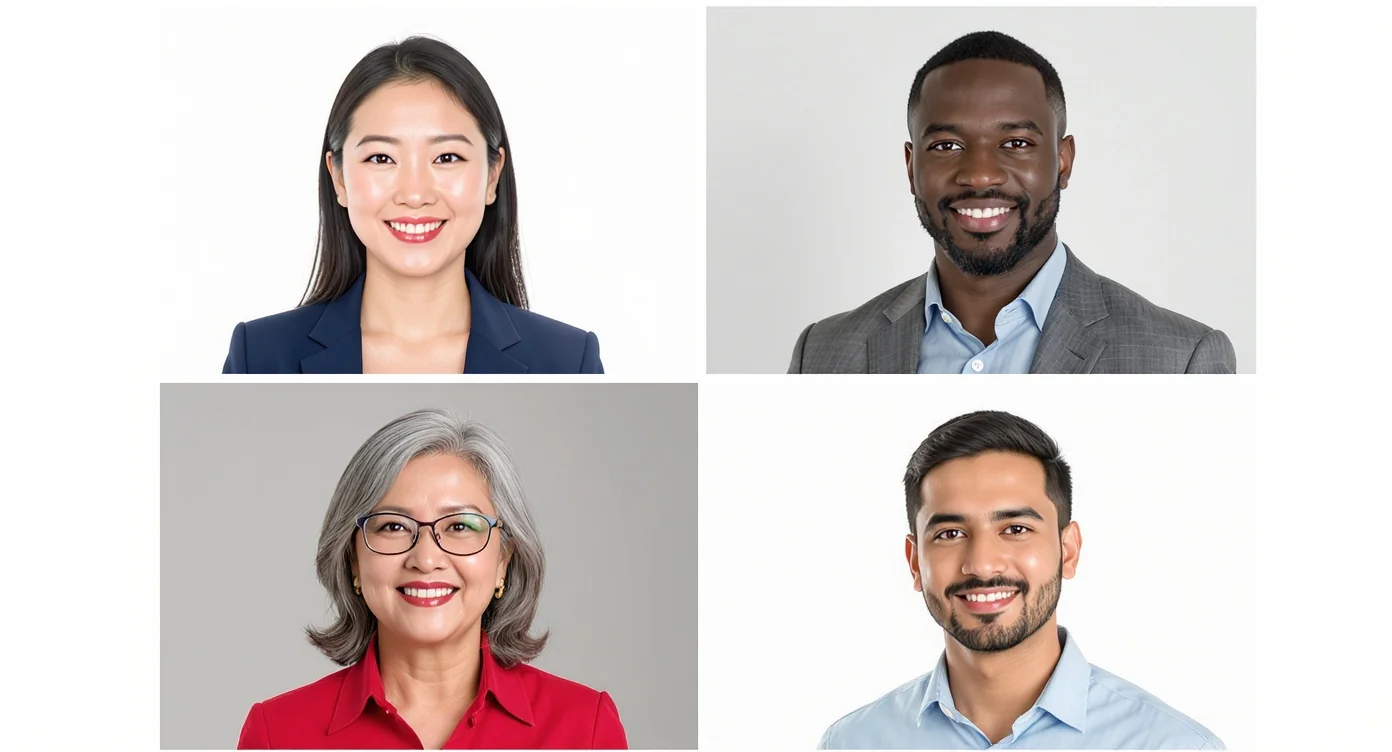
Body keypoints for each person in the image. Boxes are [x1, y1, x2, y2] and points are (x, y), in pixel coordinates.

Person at [788, 31, 1236, 374]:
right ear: (911, 167)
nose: (980, 175)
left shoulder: (1182, 361)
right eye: (946, 146)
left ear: (1063, 161)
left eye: (1016, 142)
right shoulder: (823, 352)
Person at [819, 411, 1222, 749]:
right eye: (950, 534)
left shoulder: (1174, 745)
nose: (982, 564)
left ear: (1069, 549)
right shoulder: (852, 743)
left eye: (1015, 529)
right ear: (914, 562)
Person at [237, 410, 626, 749]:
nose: (425, 559)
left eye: (460, 525)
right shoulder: (277, 734)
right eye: (392, 526)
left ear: (503, 561)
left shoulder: (584, 728)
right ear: (353, 559)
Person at [222, 37, 602, 374]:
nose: (415, 193)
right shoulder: (258, 356)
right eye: (381, 159)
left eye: (447, 157)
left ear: (492, 176)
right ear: (339, 178)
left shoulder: (568, 360)